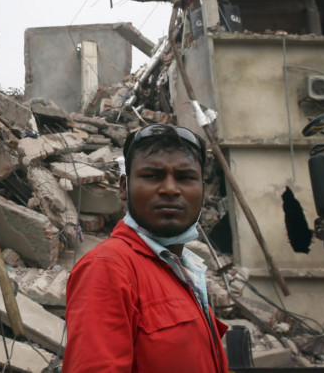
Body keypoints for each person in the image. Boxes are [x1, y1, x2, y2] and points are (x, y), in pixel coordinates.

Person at [63, 124, 228, 372]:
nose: (170, 189)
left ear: (202, 189)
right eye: (152, 176)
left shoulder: (182, 267)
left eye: (185, 178)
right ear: (123, 187)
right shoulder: (109, 268)